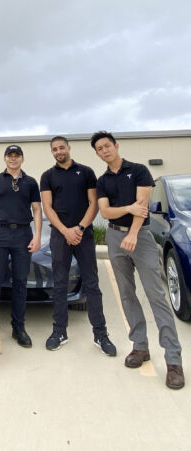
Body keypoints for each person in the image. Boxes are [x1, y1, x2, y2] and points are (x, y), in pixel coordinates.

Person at [91, 130, 184, 389]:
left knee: (156, 296)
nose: (104, 150)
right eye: (99, 148)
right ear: (97, 153)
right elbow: (106, 211)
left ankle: (174, 361)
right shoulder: (103, 180)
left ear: (116, 146)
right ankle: (140, 346)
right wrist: (127, 209)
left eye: (107, 145)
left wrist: (132, 232)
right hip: (113, 237)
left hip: (139, 237)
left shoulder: (139, 170)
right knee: (126, 295)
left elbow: (142, 207)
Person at [40, 136, 116, 355]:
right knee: (60, 284)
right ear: (52, 152)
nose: (58, 151)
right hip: (59, 235)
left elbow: (93, 203)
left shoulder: (86, 172)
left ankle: (100, 335)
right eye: (54, 149)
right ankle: (59, 331)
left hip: (85, 235)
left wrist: (80, 229)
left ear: (69, 148)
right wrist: (65, 231)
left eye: (61, 147)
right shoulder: (47, 176)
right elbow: (48, 207)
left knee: (92, 284)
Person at [0, 145, 42, 348]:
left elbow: (37, 210)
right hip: (0, 233)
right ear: (5, 159)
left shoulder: (31, 182)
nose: (13, 159)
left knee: (20, 283)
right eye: (9, 156)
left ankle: (18, 328)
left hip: (23, 234)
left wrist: (38, 235)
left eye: (17, 156)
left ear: (22, 158)